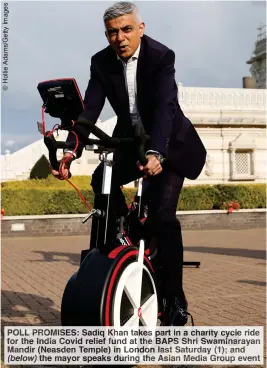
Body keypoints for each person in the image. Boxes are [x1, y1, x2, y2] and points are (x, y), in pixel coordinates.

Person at [52, 1, 206, 326]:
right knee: (99, 180)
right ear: (106, 35)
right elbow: (88, 112)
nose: (120, 37)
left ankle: (175, 300)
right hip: (131, 141)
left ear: (140, 28)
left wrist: (157, 154)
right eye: (112, 32)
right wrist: (69, 151)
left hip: (170, 146)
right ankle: (126, 239)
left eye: (125, 29)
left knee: (163, 216)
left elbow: (166, 108)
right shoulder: (101, 62)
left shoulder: (162, 57)